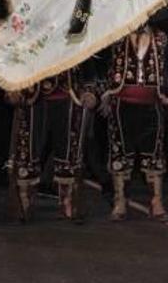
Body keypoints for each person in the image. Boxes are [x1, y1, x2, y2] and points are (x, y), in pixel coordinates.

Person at [100, 24, 168, 222]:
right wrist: (101, 92)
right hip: (121, 105)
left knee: (154, 153)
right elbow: (103, 65)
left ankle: (156, 202)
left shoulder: (162, 38)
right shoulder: (115, 34)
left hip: (152, 105)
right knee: (120, 152)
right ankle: (120, 200)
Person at [6, 61, 99, 222]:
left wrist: (90, 90)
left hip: (68, 93)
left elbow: (87, 56)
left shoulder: (75, 33)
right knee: (27, 150)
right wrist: (11, 87)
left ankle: (68, 201)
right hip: (31, 94)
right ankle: (24, 201)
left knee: (69, 151)